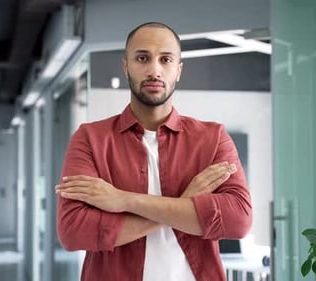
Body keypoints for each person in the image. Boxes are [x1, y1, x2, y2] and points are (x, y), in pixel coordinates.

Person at [55, 22, 252, 281]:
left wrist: (123, 200)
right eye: (142, 58)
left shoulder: (213, 137)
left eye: (166, 59)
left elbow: (239, 221)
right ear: (126, 66)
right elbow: (73, 232)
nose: (154, 70)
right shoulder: (90, 138)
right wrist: (185, 204)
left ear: (178, 70)